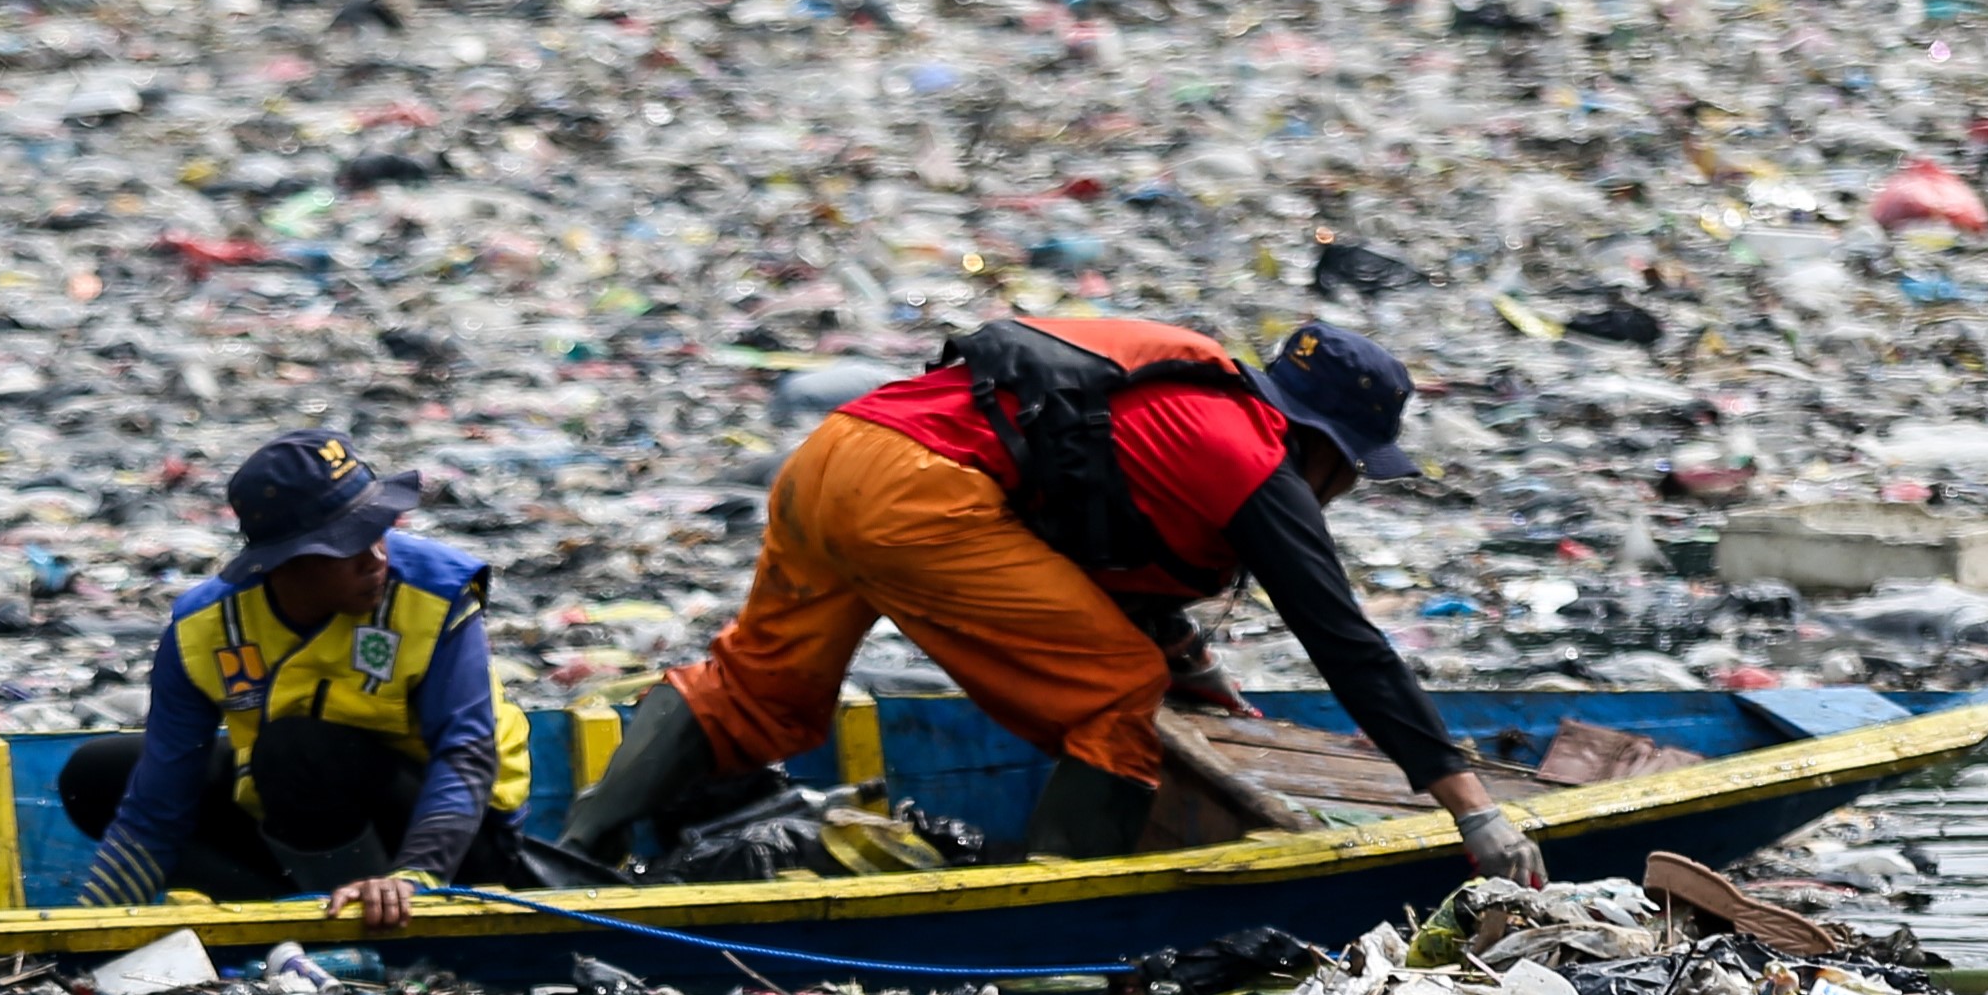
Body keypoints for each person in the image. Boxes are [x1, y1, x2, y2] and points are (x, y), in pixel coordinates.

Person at [569, 317, 1542, 882]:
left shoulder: (1185, 403)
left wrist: (1197, 673)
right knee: (1116, 687)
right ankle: (1060, 897)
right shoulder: (1256, 464)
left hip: (834, 455)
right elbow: (1344, 640)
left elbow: (1098, 535)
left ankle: (577, 852)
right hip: (920, 492)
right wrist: (1470, 807)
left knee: (757, 689)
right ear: (1326, 445)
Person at [63, 433, 531, 930]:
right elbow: (158, 803)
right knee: (99, 774)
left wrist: (415, 879)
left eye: (379, 530)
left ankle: (378, 925)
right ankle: (298, 908)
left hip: (454, 836)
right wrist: (86, 932)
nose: (375, 557)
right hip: (299, 816)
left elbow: (465, 754)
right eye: (348, 543)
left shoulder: (435, 589)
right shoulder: (205, 628)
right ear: (284, 562)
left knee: (296, 749)